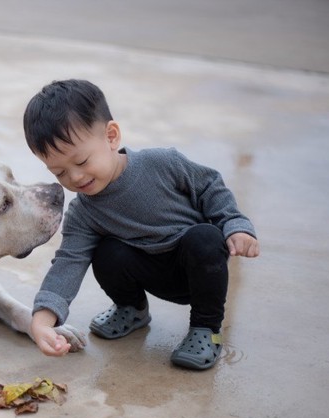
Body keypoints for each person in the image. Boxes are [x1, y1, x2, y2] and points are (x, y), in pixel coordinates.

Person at [23, 79, 259, 370]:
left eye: (82, 161)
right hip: (146, 271)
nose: (74, 177)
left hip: (196, 269)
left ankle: (205, 330)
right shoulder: (84, 213)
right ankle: (132, 308)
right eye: (59, 172)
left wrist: (235, 223)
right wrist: (42, 320)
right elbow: (69, 262)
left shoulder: (162, 163)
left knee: (206, 237)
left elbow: (210, 186)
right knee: (106, 251)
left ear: (111, 136)